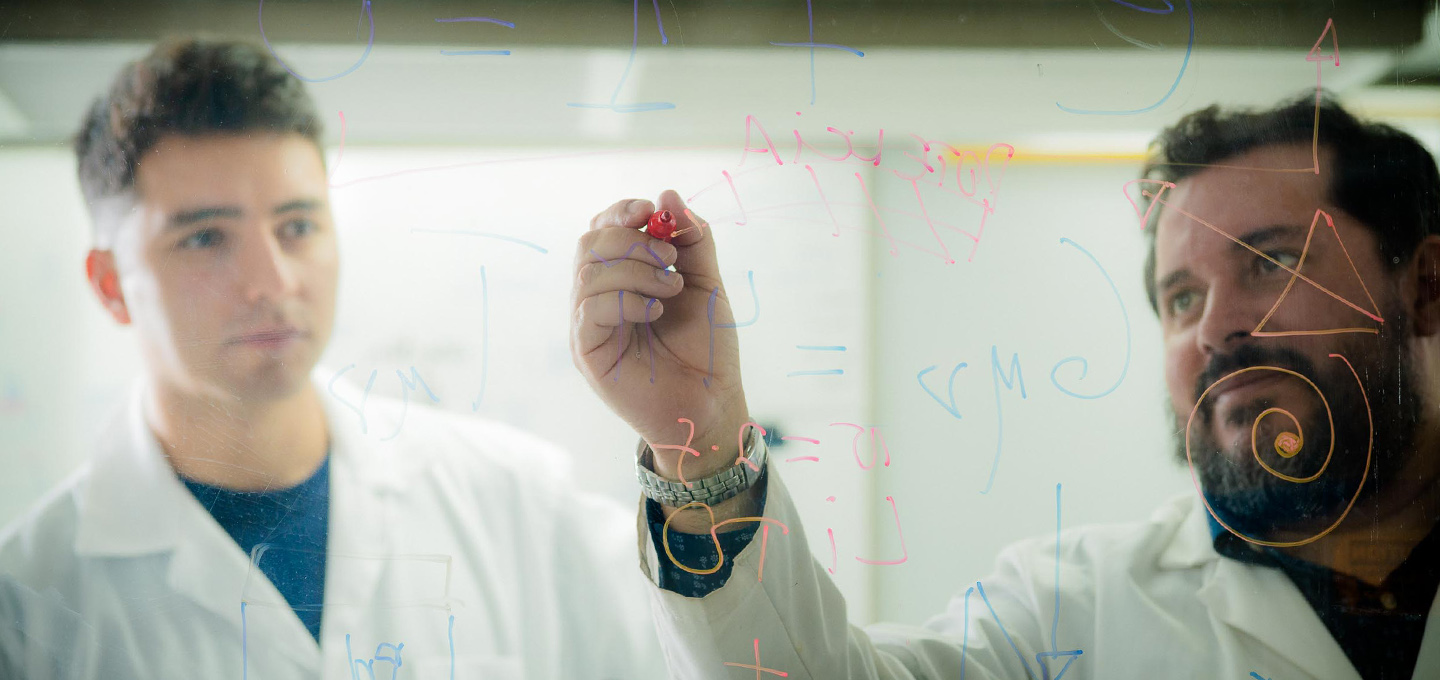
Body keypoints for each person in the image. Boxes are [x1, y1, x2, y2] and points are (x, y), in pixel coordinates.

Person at [571, 95, 1440, 678]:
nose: (1215, 329)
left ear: (1425, 286)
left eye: (1274, 262)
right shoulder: (1070, 614)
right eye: (1182, 297)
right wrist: (702, 435)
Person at [0, 38, 663, 679]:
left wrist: (698, 446)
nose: (274, 281)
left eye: (297, 226)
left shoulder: (518, 502)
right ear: (112, 285)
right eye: (205, 238)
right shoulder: (26, 602)